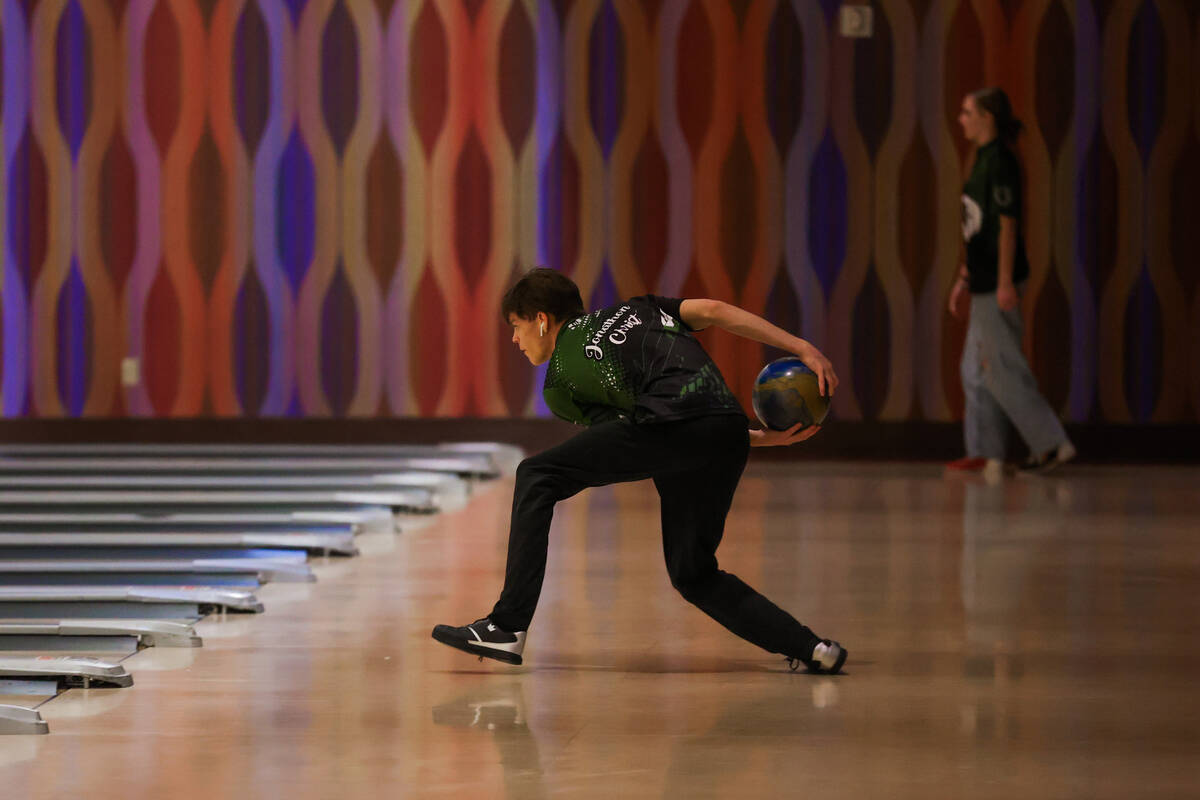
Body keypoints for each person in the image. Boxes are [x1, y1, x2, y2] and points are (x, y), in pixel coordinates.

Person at [432, 268, 847, 673]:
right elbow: (718, 311)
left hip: (671, 429)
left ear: (542, 320)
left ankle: (505, 626)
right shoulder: (642, 308)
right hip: (725, 427)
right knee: (694, 573)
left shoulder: (559, 384)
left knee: (537, 475)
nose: (515, 339)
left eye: (516, 325)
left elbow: (631, 434)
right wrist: (802, 349)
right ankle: (814, 649)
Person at [946, 87, 1075, 479]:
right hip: (982, 279)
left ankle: (1051, 444)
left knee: (1002, 367)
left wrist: (1004, 282)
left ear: (988, 117)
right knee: (973, 369)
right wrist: (964, 277)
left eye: (968, 111)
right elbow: (977, 228)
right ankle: (987, 453)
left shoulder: (1001, 161)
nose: (961, 119)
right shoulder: (982, 160)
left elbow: (1006, 226)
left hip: (995, 284)